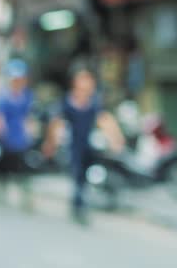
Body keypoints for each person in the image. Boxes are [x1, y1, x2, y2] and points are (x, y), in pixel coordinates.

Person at [44, 67, 124, 225]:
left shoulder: (94, 103)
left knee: (88, 176)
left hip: (90, 145)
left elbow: (105, 120)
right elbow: (56, 123)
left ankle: (81, 202)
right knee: (77, 175)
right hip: (74, 146)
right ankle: (79, 206)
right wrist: (51, 143)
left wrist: (115, 139)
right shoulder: (67, 102)